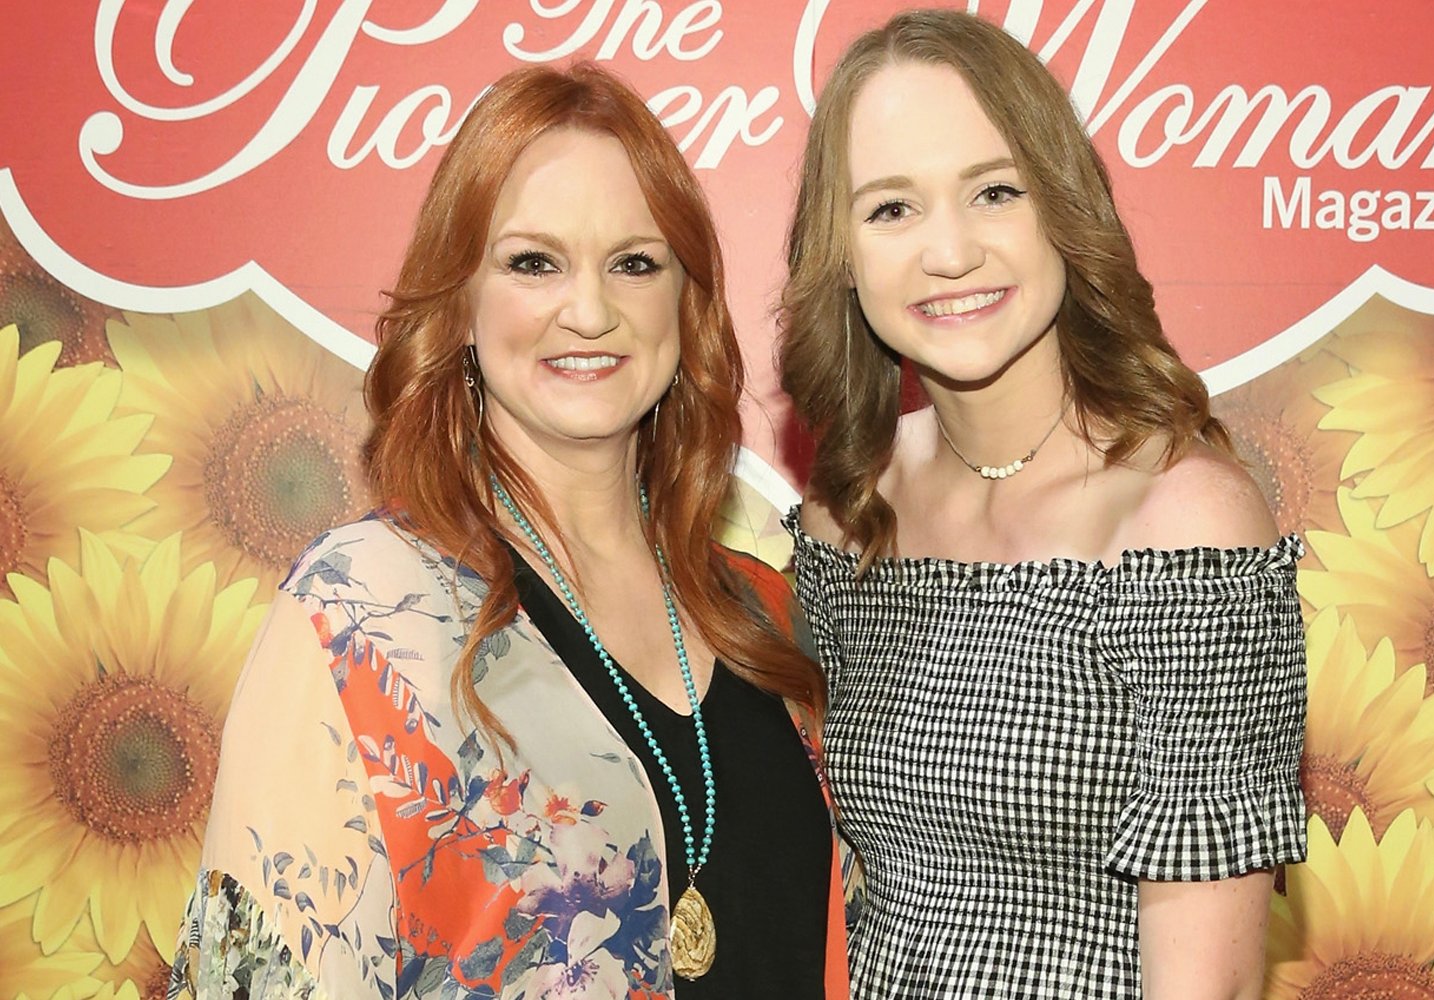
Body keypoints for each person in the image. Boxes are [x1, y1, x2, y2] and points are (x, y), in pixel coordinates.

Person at [170, 63, 853, 1000]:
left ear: (686, 305)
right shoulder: (362, 619)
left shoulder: (766, 613)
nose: (590, 310)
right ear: (459, 305)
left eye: (635, 263)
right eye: (534, 262)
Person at [778, 10, 1306, 999]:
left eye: (993, 190)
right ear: (841, 253)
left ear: (1063, 208)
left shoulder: (1182, 521)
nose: (950, 251)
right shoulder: (845, 519)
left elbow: (1209, 984)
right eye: (892, 208)